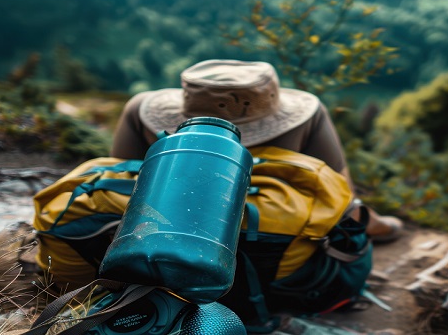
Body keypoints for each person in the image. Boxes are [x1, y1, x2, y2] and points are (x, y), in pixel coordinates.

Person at [110, 59, 403, 242]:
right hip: (267, 241)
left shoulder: (138, 110)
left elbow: (117, 179)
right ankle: (376, 227)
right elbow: (341, 197)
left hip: (155, 235)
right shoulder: (308, 119)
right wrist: (371, 224)